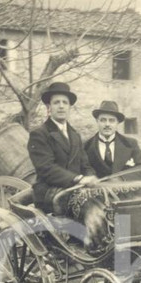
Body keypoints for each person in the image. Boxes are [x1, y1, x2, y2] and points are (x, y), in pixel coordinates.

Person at [27, 82, 98, 214]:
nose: (61, 106)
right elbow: (46, 169)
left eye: (65, 102)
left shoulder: (75, 135)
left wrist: (90, 177)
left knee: (108, 203)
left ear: (69, 107)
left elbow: (85, 165)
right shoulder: (40, 134)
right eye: (56, 102)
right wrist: (78, 179)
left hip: (75, 190)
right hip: (50, 192)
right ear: (49, 107)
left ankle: (119, 233)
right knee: (88, 210)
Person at [84, 100, 141, 180]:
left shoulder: (130, 144)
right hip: (97, 191)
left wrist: (122, 179)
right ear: (97, 121)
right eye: (103, 120)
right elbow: (83, 169)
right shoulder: (86, 146)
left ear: (117, 122)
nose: (107, 124)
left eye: (111, 120)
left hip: (125, 191)